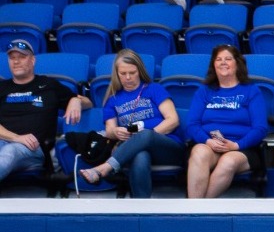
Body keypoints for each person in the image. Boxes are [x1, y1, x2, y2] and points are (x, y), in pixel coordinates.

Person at [74, 49, 181, 198]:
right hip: (134, 149)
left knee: (145, 135)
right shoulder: (113, 100)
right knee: (140, 155)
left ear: (140, 71)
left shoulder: (155, 89)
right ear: (116, 74)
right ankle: (140, 208)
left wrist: (146, 136)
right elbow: (110, 130)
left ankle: (105, 168)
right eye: (123, 74)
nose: (128, 77)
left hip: (166, 147)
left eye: (132, 72)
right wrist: (116, 132)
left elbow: (173, 120)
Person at [183, 45, 267, 198]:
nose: (223, 62)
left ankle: (198, 211)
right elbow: (192, 124)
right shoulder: (204, 91)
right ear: (213, 64)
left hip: (242, 148)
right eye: (219, 59)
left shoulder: (251, 90)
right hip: (211, 145)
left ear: (237, 63)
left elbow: (260, 128)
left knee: (228, 161)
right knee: (198, 152)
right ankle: (195, 211)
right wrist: (207, 141)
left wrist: (236, 145)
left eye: (228, 59)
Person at [0, 39, 87, 186]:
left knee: (10, 151)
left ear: (32, 60)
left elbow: (89, 102)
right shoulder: (2, 87)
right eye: (12, 58)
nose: (16, 62)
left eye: (22, 57)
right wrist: (16, 137)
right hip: (8, 140)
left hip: (32, 149)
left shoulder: (48, 85)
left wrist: (76, 100)